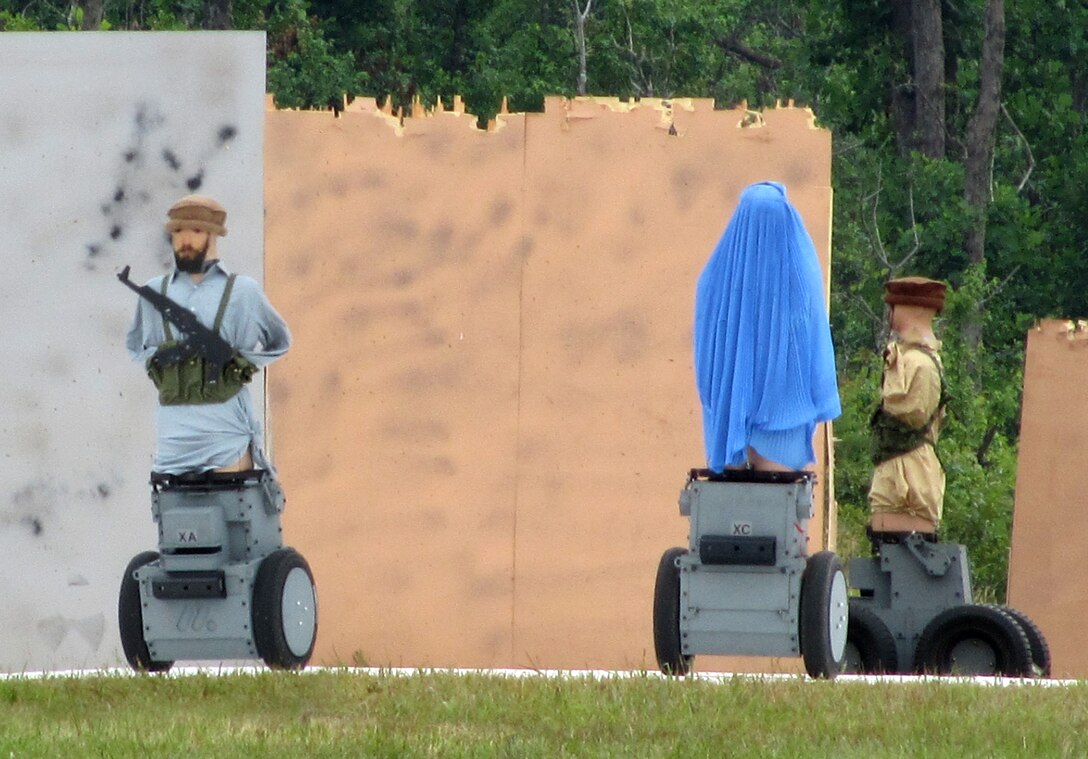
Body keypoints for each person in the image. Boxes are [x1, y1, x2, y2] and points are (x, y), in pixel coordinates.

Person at [125, 194, 291, 474]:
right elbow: (135, 347)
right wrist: (164, 357)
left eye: (196, 231)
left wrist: (239, 363)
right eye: (178, 231)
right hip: (173, 445)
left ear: (214, 235)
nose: (185, 240)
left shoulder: (243, 291)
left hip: (227, 441)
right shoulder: (154, 292)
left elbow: (280, 342)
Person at [693, 181, 841, 472]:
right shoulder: (800, 279)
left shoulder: (713, 281)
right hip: (782, 426)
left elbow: (706, 358)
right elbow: (812, 347)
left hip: (728, 417)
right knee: (777, 498)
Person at [868, 276, 948, 542]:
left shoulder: (917, 365)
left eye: (894, 307)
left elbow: (906, 414)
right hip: (896, 477)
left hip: (910, 484)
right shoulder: (908, 359)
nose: (890, 314)